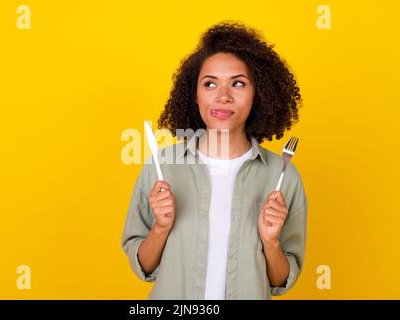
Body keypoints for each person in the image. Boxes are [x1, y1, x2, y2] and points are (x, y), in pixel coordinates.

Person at [121, 21, 308, 299]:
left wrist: (270, 243)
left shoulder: (282, 176)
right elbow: (144, 266)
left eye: (238, 83)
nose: (223, 96)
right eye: (210, 84)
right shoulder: (163, 165)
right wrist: (161, 228)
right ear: (195, 95)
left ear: (258, 94)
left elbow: (280, 281)